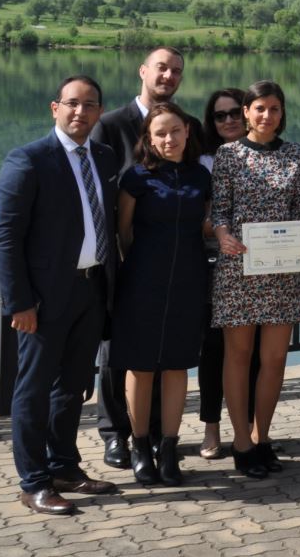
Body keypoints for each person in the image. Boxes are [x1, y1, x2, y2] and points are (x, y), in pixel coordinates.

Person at [0, 75, 119, 515]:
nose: (80, 112)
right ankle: (33, 482)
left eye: (90, 105)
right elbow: (5, 237)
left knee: (71, 387)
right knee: (32, 391)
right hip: (44, 299)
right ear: (55, 108)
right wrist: (18, 302)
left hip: (91, 289)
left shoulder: (104, 157)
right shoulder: (28, 160)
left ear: (100, 112)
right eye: (72, 103)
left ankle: (64, 467)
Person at [210, 80, 300, 479]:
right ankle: (240, 442)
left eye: (274, 109)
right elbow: (220, 211)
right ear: (246, 111)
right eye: (259, 108)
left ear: (282, 114)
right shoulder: (228, 155)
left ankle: (262, 437)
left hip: (282, 268)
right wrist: (222, 234)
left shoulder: (295, 154)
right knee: (238, 355)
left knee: (276, 359)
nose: (267, 115)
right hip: (239, 267)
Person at [89, 46, 193, 471]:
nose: (168, 76)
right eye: (161, 68)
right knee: (118, 354)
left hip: (171, 266)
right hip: (121, 260)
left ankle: (153, 435)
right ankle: (116, 433)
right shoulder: (111, 124)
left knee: (162, 356)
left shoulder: (186, 124)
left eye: (176, 71)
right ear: (143, 71)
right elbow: (99, 192)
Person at [111, 102, 211, 486]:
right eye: (160, 133)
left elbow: (205, 224)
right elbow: (124, 233)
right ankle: (139, 446)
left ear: (187, 132)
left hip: (189, 280)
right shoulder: (135, 177)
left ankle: (168, 448)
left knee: (176, 365)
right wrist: (140, 269)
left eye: (175, 131)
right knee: (141, 365)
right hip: (142, 282)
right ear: (149, 139)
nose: (169, 139)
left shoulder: (201, 175)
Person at [196, 86, 257, 461]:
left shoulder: (263, 154)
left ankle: (247, 430)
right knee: (215, 349)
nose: (230, 120)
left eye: (235, 112)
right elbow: (197, 217)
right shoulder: (203, 161)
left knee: (253, 353)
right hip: (213, 266)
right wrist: (220, 229)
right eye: (221, 115)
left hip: (257, 265)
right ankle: (211, 426)